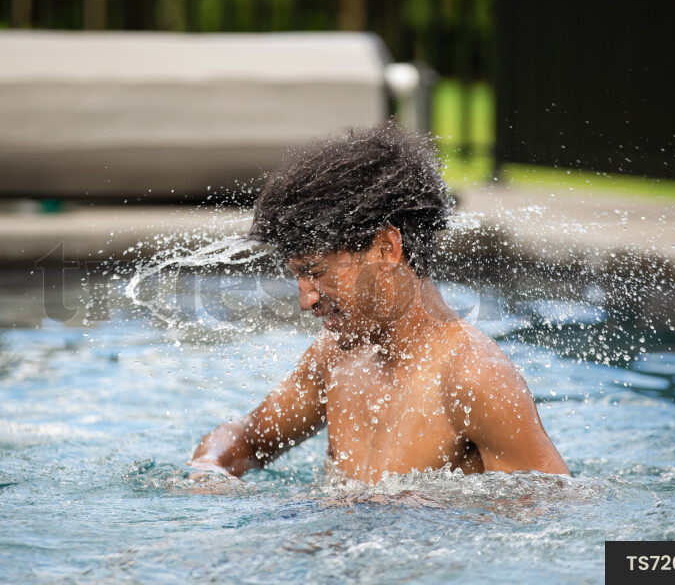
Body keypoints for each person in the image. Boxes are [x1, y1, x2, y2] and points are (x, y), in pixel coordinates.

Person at [189, 122, 569, 484]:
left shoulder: (474, 378)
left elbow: (556, 513)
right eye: (299, 277)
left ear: (386, 248)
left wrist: (436, 515)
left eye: (317, 272)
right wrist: (210, 467)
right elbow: (249, 438)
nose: (306, 300)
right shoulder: (334, 359)